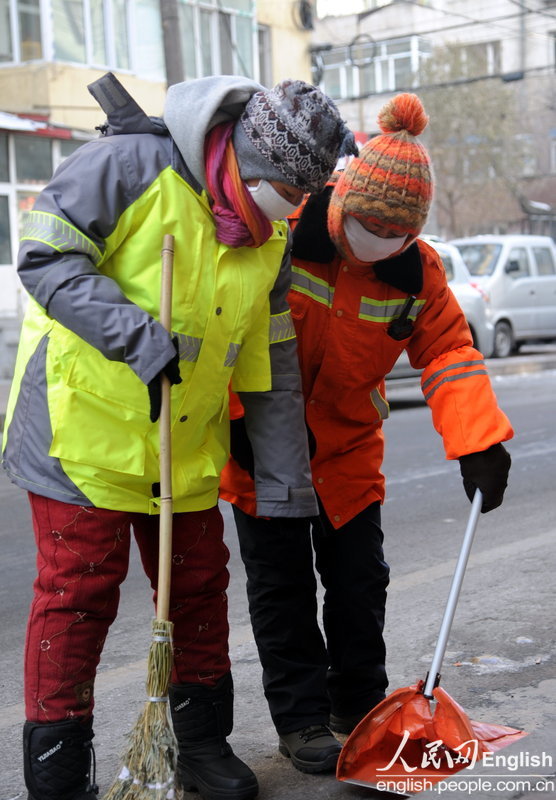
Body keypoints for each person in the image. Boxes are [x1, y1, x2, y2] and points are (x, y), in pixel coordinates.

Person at [1, 71, 356, 800]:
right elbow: (42, 258)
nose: (294, 211)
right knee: (78, 596)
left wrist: (286, 485)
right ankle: (60, 775)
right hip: (82, 430)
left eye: (303, 199)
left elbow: (269, 365)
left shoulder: (272, 239)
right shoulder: (126, 168)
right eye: (290, 194)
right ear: (251, 167)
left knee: (197, 590)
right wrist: (137, 336)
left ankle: (198, 743)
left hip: (183, 443)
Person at [220, 92, 513, 775]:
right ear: (341, 195)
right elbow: (225, 324)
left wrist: (477, 440)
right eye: (368, 225)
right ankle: (299, 721)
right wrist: (233, 421)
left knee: (359, 584)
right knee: (282, 589)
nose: (377, 240)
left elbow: (447, 353)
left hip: (348, 451)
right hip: (264, 446)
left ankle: (356, 708)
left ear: (413, 231)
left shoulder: (418, 273)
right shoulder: (283, 233)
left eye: (395, 233)